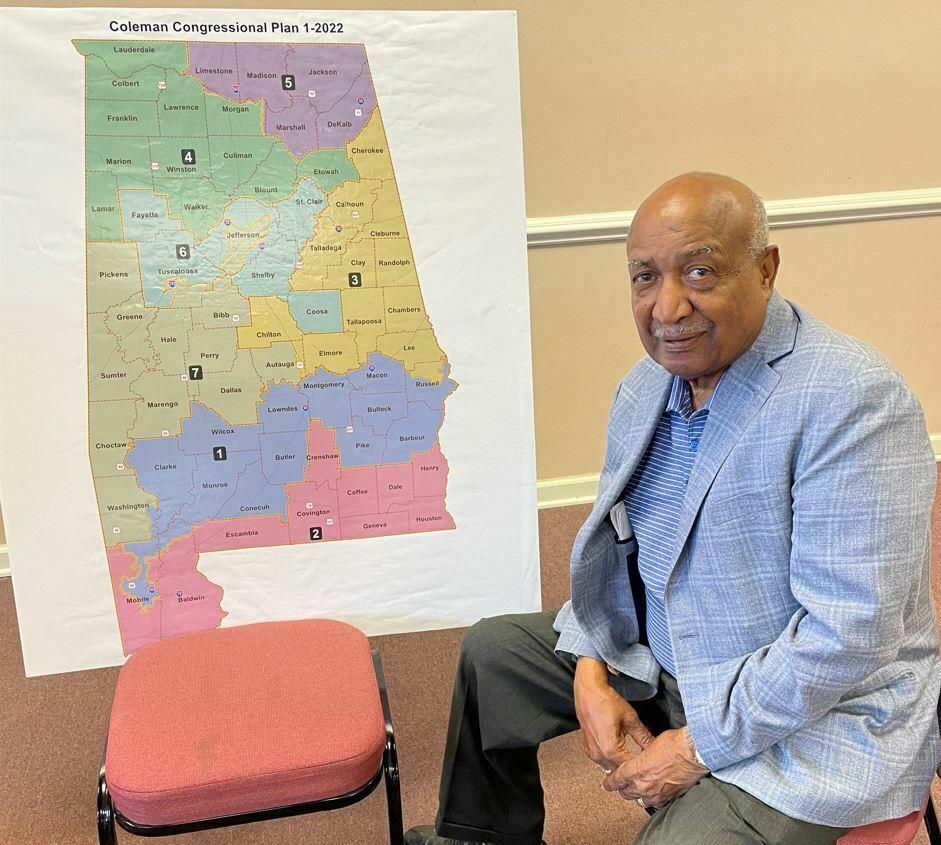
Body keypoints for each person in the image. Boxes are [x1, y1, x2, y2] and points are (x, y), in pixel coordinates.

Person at [404, 172, 941, 845]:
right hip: (669, 654)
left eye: (698, 271)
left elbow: (848, 636)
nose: (667, 307)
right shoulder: (646, 386)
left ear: (765, 269)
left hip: (816, 713)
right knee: (495, 654)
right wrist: (591, 669)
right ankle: (480, 835)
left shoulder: (852, 399)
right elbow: (622, 560)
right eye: (644, 278)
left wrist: (694, 746)